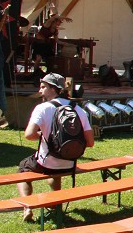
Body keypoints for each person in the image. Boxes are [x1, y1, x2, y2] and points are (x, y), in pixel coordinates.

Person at [18, 73, 94, 222]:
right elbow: (90, 142)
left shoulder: (43, 108)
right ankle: (55, 203)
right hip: (70, 163)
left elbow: (28, 135)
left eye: (43, 87)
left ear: (54, 89)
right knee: (55, 173)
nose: (40, 90)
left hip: (46, 162)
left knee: (23, 168)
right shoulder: (78, 109)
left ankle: (27, 206)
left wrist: (42, 136)